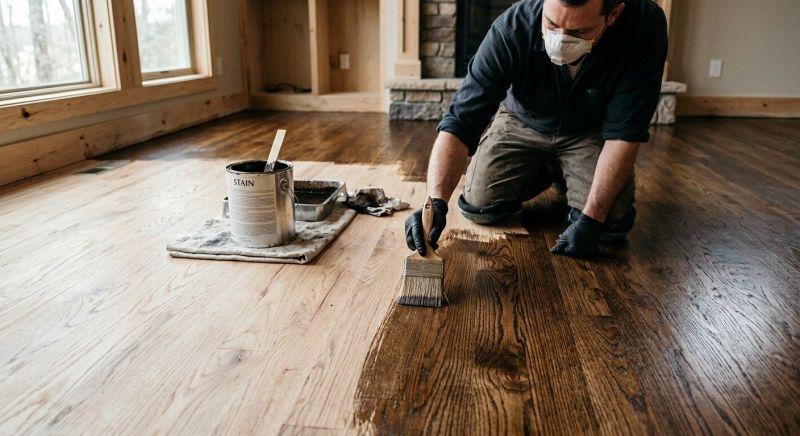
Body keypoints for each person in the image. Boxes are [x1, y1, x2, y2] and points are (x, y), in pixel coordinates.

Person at [405, 0, 668, 258]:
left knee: (610, 227)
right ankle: (546, 169)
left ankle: (566, 172)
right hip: (522, 119)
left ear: (613, 14)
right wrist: (434, 202)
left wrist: (592, 218)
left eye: (578, 32)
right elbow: (460, 120)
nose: (560, 40)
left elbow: (625, 132)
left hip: (590, 130)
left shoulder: (644, 26)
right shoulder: (511, 28)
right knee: (480, 207)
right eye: (551, 24)